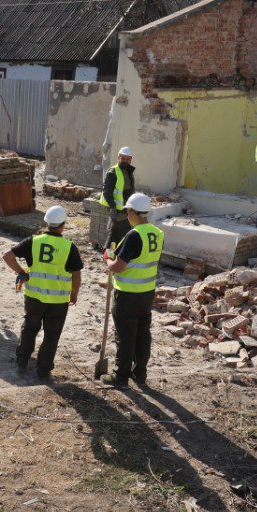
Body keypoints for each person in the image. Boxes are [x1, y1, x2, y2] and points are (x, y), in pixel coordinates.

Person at [3, 205, 83, 380]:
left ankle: (22, 359)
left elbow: (7, 256)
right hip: (58, 301)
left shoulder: (33, 241)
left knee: (30, 328)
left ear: (46, 223)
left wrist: (21, 272)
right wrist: (74, 294)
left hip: (34, 297)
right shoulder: (69, 247)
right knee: (52, 335)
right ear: (63, 225)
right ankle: (43, 369)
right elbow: (76, 275)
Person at [103, 193, 164, 388]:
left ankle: (120, 376)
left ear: (132, 212)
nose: (127, 215)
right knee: (142, 334)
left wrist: (107, 259)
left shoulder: (134, 235)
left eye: (128, 211)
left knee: (125, 336)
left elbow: (118, 267)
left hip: (128, 294)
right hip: (146, 293)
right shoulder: (157, 233)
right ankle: (140, 374)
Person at [99, 146, 136, 249]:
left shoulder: (129, 171)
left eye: (127, 159)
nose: (125, 161)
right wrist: (112, 207)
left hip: (125, 207)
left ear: (130, 159)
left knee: (115, 232)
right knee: (125, 231)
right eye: (122, 158)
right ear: (118, 158)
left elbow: (130, 190)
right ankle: (123, 255)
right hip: (116, 208)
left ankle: (109, 253)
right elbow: (107, 191)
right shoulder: (113, 172)